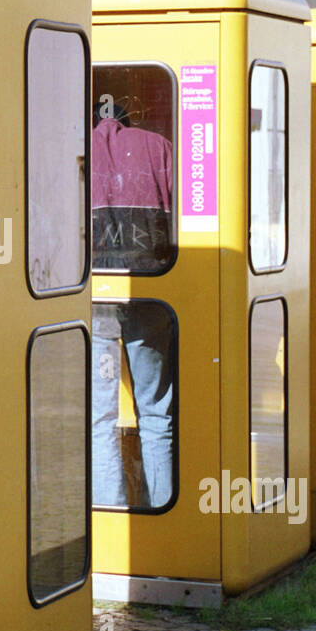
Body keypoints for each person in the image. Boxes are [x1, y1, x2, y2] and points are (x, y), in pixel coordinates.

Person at [91, 97, 175, 509]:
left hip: (97, 300)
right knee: (156, 411)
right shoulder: (159, 147)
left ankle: (110, 510)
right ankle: (162, 505)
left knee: (100, 417)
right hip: (153, 292)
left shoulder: (81, 150)